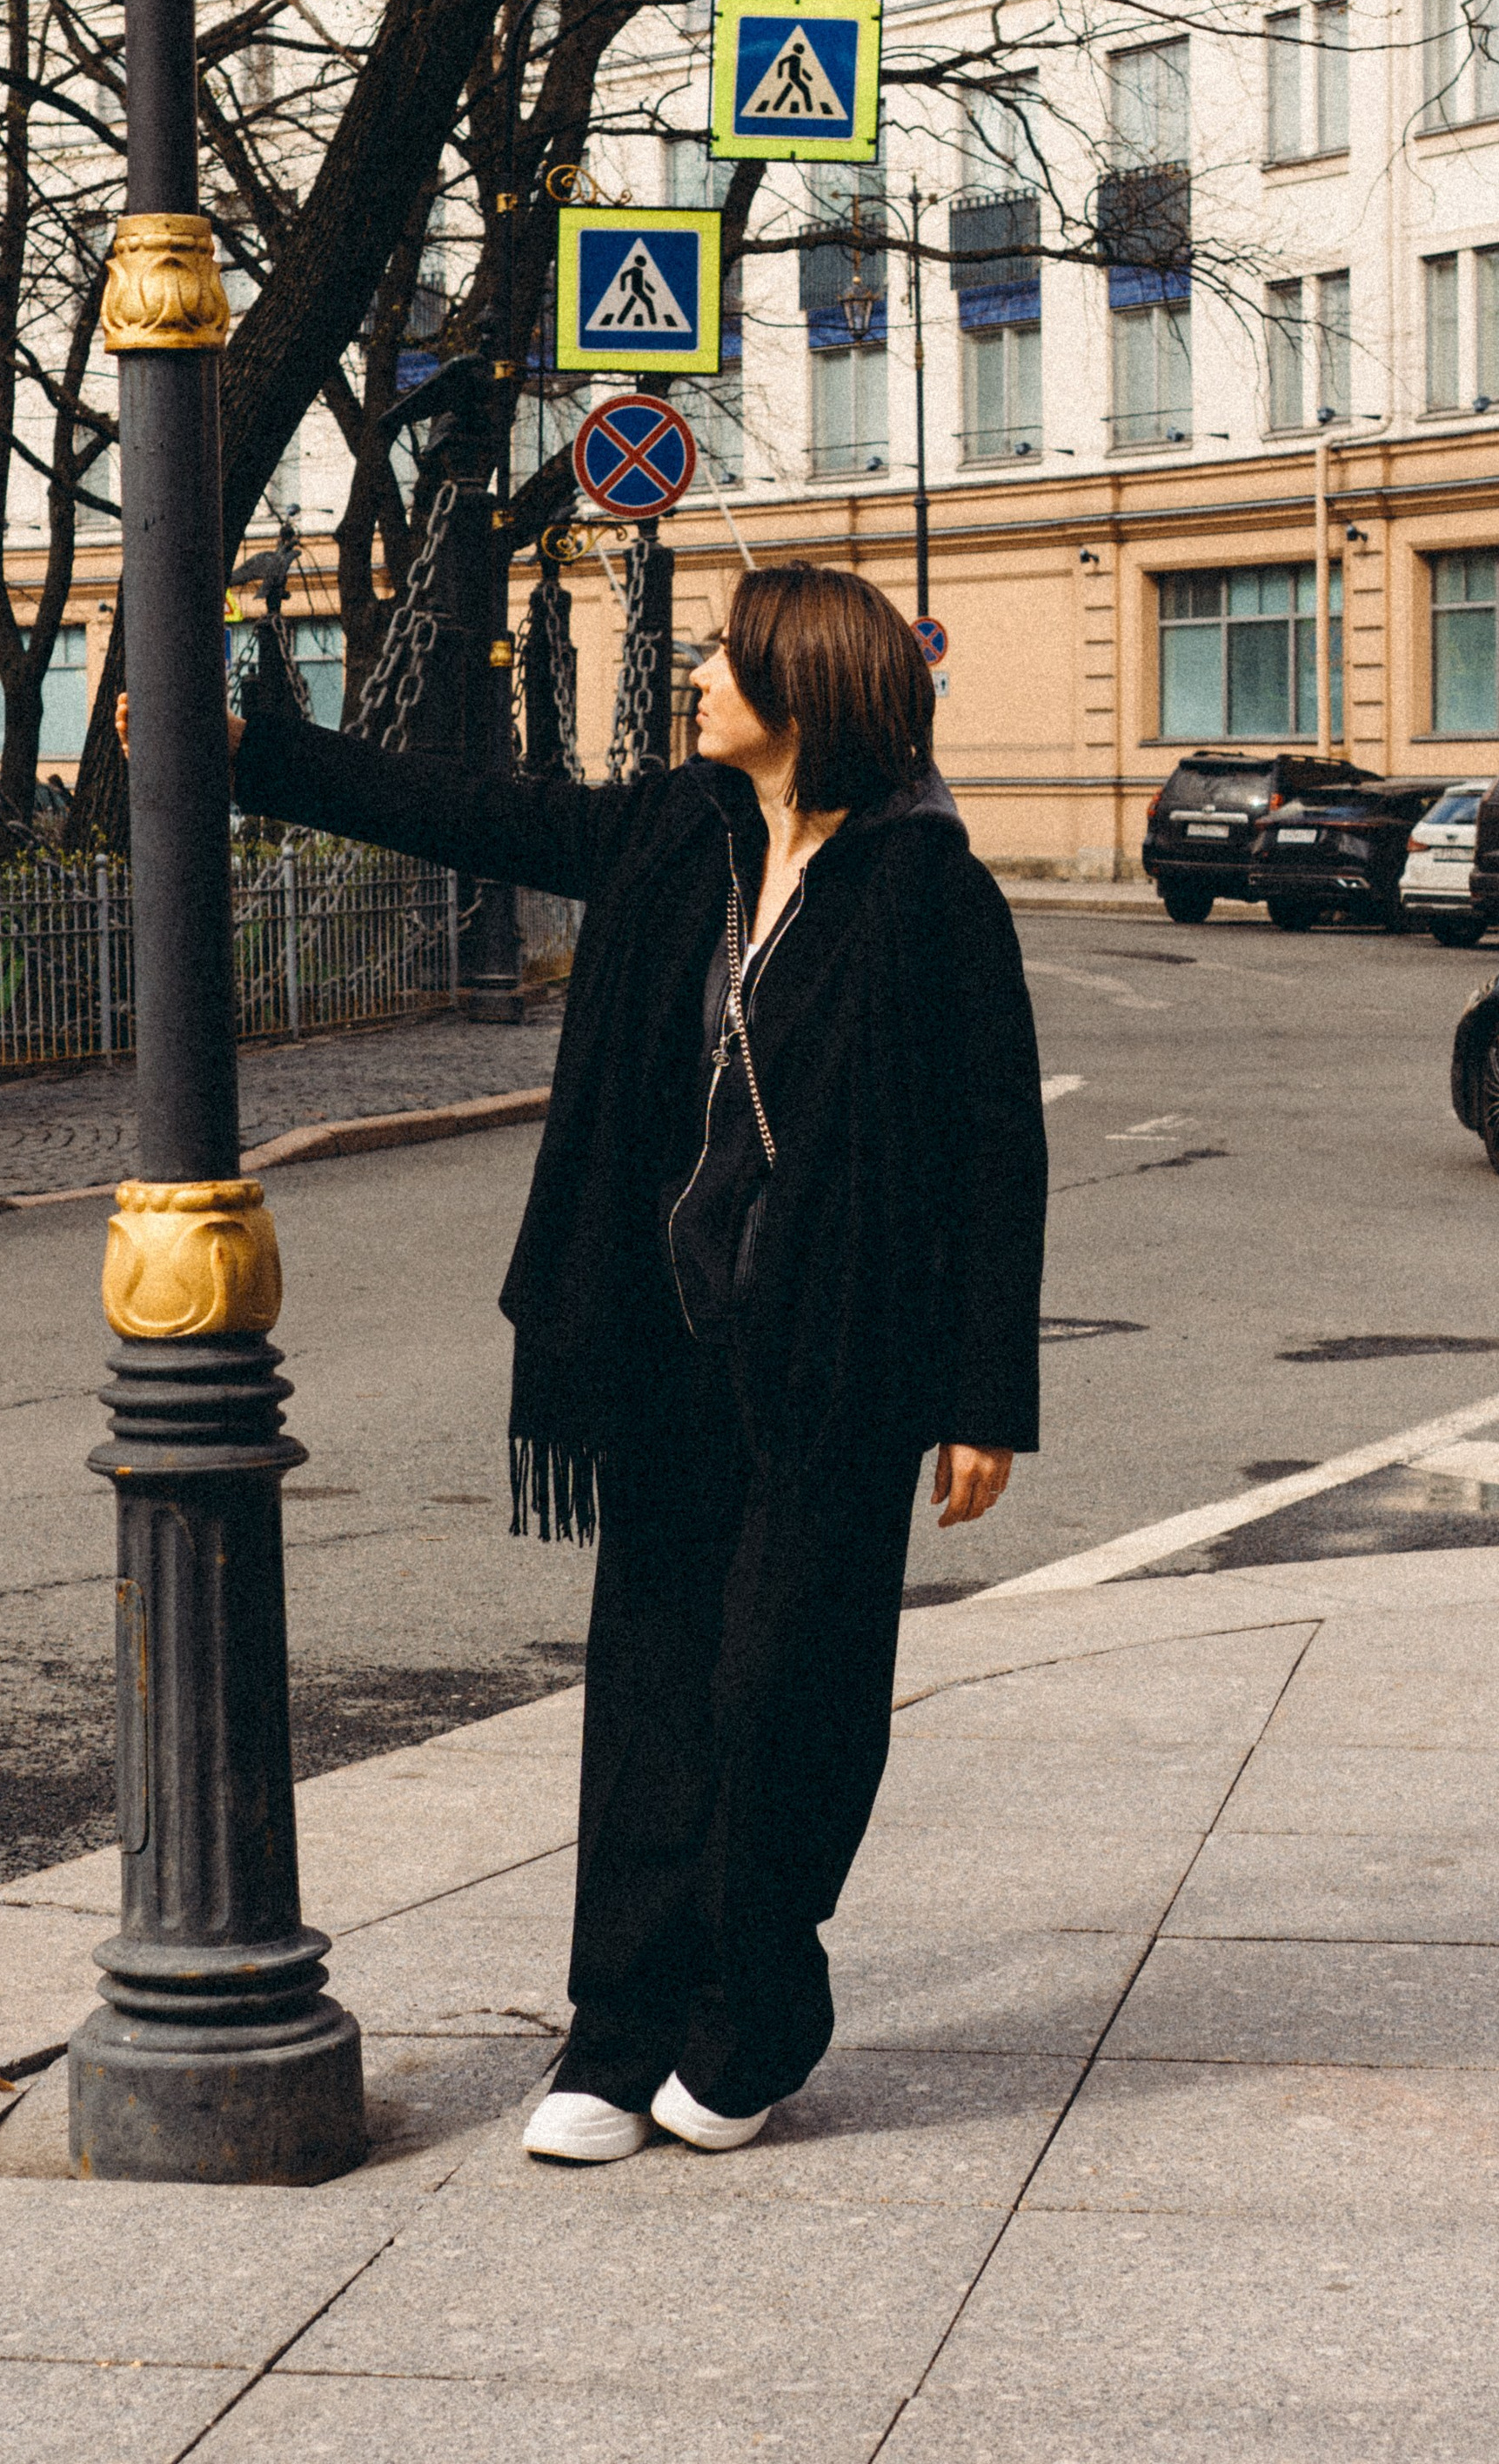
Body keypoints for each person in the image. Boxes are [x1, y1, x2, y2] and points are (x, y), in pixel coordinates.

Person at [121, 561, 1044, 2163]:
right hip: (661, 1349)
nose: (694, 673)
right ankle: (616, 2030)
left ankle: (756, 2013)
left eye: (719, 658)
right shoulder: (674, 837)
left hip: (836, 1363)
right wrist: (253, 745)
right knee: (652, 1694)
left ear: (803, 693)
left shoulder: (928, 891)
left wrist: (983, 1398)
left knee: (787, 1693)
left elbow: (994, 1155)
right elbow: (480, 813)